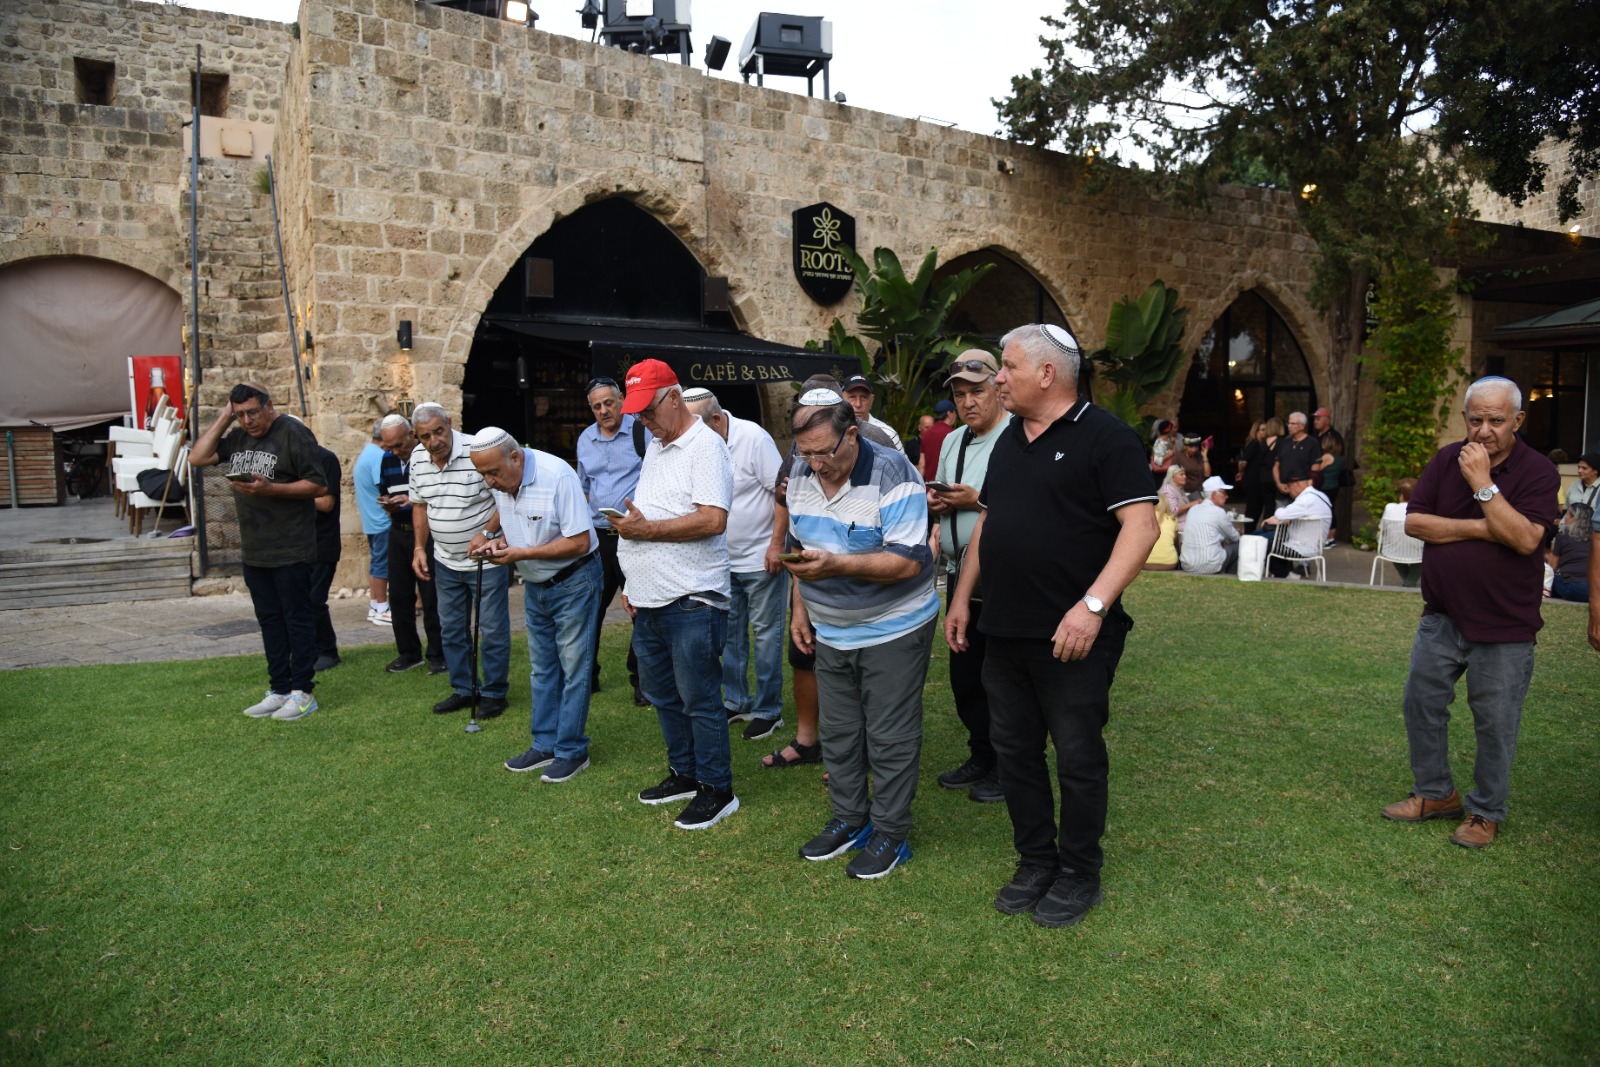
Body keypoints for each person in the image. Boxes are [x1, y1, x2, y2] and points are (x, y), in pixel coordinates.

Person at [945, 323, 1159, 928]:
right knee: (1015, 752)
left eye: (1007, 367)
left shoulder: (1107, 437)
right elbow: (990, 523)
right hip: (1003, 627)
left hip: (1072, 637)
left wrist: (1091, 607)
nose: (998, 378)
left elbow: (1141, 528)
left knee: (1077, 756)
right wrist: (962, 598)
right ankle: (1036, 860)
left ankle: (1079, 871)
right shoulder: (1011, 440)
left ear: (1047, 373)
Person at [1382, 376, 1560, 849]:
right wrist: (1487, 527)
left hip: (1505, 624)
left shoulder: (1538, 471)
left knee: (1495, 721)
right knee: (1421, 703)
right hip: (1442, 616)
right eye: (1475, 419)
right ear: (1464, 418)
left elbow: (1525, 539)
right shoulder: (1446, 459)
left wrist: (1482, 485)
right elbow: (1415, 522)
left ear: (1517, 420)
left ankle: (1485, 811)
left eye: (1496, 420)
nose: (1483, 430)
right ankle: (1435, 793)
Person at [784, 388, 939, 880]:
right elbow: (798, 549)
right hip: (830, 629)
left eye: (822, 453)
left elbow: (907, 561)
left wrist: (837, 565)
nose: (814, 465)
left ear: (851, 434)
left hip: (894, 627)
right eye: (804, 454)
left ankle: (891, 833)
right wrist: (800, 610)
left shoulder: (894, 473)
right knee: (839, 732)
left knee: (890, 736)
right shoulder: (802, 472)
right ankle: (850, 819)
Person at [612, 360, 739, 831]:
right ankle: (685, 774)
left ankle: (716, 789)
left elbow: (713, 519)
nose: (642, 420)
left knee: (699, 698)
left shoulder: (705, 445)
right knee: (663, 694)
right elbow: (653, 510)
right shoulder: (657, 444)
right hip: (652, 597)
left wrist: (645, 531)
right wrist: (634, 580)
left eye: (648, 410)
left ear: (673, 397)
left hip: (691, 597)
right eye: (637, 413)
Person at [760, 375, 904, 771]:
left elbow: (899, 510)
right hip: (811, 573)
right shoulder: (802, 445)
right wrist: (778, 546)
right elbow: (784, 499)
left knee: (863, 666)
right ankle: (810, 741)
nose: (815, 460)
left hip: (865, 583)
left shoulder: (877, 439)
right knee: (805, 654)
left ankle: (862, 749)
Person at [189, 383, 328, 721]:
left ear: (269, 405)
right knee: (269, 620)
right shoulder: (238, 436)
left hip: (291, 547)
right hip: (255, 549)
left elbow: (319, 485)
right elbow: (198, 457)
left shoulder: (292, 432)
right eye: (240, 414)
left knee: (297, 619)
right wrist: (225, 418)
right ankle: (279, 689)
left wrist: (271, 488)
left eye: (252, 412)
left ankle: (303, 692)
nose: (248, 420)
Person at [469, 428, 601, 783]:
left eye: (493, 473)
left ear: (515, 457)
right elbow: (512, 514)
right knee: (542, 669)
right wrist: (493, 538)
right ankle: (545, 744)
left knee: (574, 669)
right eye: (482, 474)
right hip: (536, 584)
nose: (489, 481)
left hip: (574, 581)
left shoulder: (557, 476)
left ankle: (572, 750)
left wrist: (521, 553)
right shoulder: (504, 478)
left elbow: (579, 542)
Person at [682, 387, 787, 743]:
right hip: (722, 561)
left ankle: (769, 710)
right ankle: (737, 701)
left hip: (760, 558)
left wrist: (776, 545)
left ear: (715, 418)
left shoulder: (754, 438)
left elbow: (782, 494)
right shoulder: (698, 444)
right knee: (730, 637)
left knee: (767, 636)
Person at [927, 350, 1009, 804]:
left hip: (1003, 575)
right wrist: (937, 503)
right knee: (965, 675)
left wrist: (975, 500)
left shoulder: (1016, 435)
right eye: (960, 395)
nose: (967, 402)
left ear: (998, 387)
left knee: (1003, 677)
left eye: (976, 391)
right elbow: (943, 495)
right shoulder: (953, 440)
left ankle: (1006, 765)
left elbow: (1021, 504)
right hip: (959, 573)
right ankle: (981, 754)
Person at [407, 403, 510, 719]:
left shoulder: (476, 450)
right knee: (451, 629)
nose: (434, 441)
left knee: (491, 628)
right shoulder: (417, 459)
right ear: (417, 436)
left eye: (439, 431)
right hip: (445, 560)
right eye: (425, 436)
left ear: (449, 423)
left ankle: (494, 693)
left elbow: (505, 496)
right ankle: (465, 689)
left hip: (486, 559)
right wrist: (419, 548)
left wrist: (487, 532)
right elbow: (420, 505)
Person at [576, 376, 649, 706]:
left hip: (634, 536)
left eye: (609, 403)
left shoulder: (641, 431)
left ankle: (642, 679)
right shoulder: (585, 439)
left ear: (622, 400)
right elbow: (584, 488)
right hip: (598, 539)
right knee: (590, 609)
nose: (604, 410)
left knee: (641, 609)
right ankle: (586, 677)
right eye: (597, 406)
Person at [377, 414, 445, 675]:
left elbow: (438, 493)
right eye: (390, 447)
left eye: (399, 445)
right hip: (398, 531)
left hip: (427, 533)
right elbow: (384, 489)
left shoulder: (428, 454)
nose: (395, 451)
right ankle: (408, 653)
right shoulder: (387, 459)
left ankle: (438, 653)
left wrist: (412, 500)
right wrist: (388, 503)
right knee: (399, 595)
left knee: (431, 595)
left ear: (411, 435)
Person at [1247, 477, 1332, 578]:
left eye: (1289, 487)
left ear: (1296, 484)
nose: (1288, 491)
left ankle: (1285, 575)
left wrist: (1279, 512)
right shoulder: (1320, 496)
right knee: (1263, 537)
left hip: (1301, 546)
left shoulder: (1306, 499)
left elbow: (1281, 514)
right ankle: (1285, 573)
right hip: (1313, 544)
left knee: (1260, 544)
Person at [352, 420, 391, 626]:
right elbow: (384, 488)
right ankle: (382, 608)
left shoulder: (367, 452)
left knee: (376, 563)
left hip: (371, 520)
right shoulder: (378, 456)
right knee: (382, 565)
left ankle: (375, 605)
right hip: (381, 521)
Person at [309, 442, 342, 672]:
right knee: (300, 601)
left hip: (322, 543)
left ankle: (327, 650)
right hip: (298, 543)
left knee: (315, 599)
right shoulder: (292, 461)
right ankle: (310, 648)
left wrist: (286, 493)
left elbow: (326, 503)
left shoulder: (325, 459)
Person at [1180, 476, 1241, 575]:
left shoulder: (1193, 509)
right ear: (1214, 495)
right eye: (1224, 493)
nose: (1227, 496)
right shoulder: (1219, 512)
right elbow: (1235, 537)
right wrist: (1239, 532)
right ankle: (1230, 577)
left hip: (1187, 564)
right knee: (1239, 545)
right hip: (1209, 565)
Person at [841, 374, 907, 454]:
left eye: (864, 397)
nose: (858, 404)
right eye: (852, 397)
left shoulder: (888, 434)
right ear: (842, 399)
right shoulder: (833, 430)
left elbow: (901, 462)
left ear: (872, 400)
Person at [1380, 476, 1422, 587]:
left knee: (1394, 547)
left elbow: (1382, 529)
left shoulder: (1389, 508)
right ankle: (1409, 582)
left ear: (1401, 495)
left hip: (1392, 551)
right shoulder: (1423, 510)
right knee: (1426, 553)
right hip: (1418, 553)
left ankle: (1408, 581)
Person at [1546, 502, 1592, 602]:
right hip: (1594, 588)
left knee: (1548, 580)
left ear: (1574, 518)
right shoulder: (1595, 538)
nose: (1565, 518)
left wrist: (1544, 556)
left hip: (1572, 586)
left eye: (1567, 514)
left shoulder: (1563, 535)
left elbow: (1553, 567)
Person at [1272, 411, 1318, 506]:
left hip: (1302, 492)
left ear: (1302, 426)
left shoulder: (1312, 443)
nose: (1289, 426)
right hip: (1283, 492)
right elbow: (1276, 466)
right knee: (1281, 515)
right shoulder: (1283, 442)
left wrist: (1308, 485)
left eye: (1293, 424)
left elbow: (1316, 467)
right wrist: (1278, 484)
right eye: (1288, 423)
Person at [1314, 432, 1347, 547]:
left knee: (1325, 511)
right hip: (1334, 486)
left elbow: (1317, 469)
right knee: (1331, 509)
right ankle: (1331, 537)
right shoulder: (1339, 459)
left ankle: (1328, 537)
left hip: (1325, 487)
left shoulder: (1327, 457)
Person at [919, 397, 958, 481]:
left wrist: (919, 484)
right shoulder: (952, 434)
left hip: (929, 485)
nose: (956, 416)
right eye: (955, 413)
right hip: (946, 486)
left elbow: (922, 463)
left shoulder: (926, 433)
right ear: (949, 414)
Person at [1142, 495, 1179, 571]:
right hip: (1170, 563)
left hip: (1145, 563)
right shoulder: (1172, 519)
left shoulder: (1144, 517)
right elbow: (1175, 540)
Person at [1158, 466, 1196, 535]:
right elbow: (1172, 511)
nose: (1185, 477)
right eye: (1181, 474)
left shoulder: (1179, 489)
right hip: (1176, 524)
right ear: (1173, 478)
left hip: (1186, 521)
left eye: (1185, 474)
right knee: (1198, 527)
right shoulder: (1168, 490)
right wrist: (1192, 504)